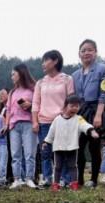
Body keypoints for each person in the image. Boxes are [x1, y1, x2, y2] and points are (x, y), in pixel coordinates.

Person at [32, 50, 75, 186]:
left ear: (55, 60)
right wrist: (34, 121)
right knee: (45, 152)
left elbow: (71, 101)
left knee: (63, 151)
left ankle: (64, 179)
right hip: (44, 121)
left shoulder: (67, 79)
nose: (43, 64)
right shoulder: (40, 82)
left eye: (46, 60)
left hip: (62, 121)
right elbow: (35, 103)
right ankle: (47, 178)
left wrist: (68, 118)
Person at [72, 39, 105, 187]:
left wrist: (98, 115)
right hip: (80, 111)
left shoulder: (103, 69)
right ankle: (79, 179)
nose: (86, 53)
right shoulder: (74, 75)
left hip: (96, 109)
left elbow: (103, 93)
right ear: (79, 54)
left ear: (95, 52)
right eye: (83, 50)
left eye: (90, 49)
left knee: (94, 147)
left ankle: (94, 179)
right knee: (79, 146)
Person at [42, 95, 99, 191]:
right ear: (65, 106)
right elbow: (51, 132)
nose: (75, 108)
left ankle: (74, 184)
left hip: (72, 147)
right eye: (72, 106)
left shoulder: (79, 118)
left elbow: (85, 125)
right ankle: (55, 184)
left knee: (73, 166)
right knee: (58, 166)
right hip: (59, 147)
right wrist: (46, 142)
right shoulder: (57, 119)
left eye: (77, 106)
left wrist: (91, 131)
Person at [6, 64, 38, 189]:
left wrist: (29, 106)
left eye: (13, 74)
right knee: (15, 154)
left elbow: (37, 106)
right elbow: (8, 109)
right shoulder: (12, 92)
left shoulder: (33, 89)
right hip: (14, 125)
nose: (12, 77)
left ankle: (29, 178)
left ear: (21, 73)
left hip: (28, 123)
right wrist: (7, 124)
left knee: (30, 153)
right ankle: (17, 179)